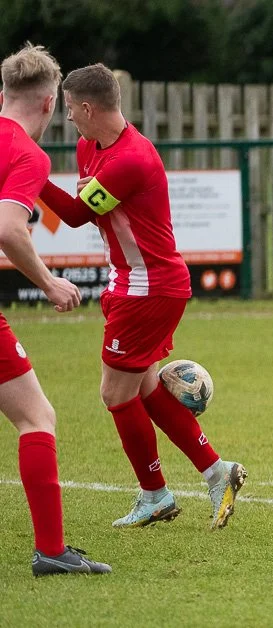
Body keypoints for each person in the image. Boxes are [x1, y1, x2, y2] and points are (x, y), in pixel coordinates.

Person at [39, 63, 247, 531]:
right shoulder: (89, 145)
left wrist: (27, 170)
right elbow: (91, 213)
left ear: (89, 107)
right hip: (130, 281)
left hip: (148, 286)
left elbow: (73, 214)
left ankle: (154, 494)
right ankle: (217, 472)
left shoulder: (132, 158)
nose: (68, 117)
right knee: (145, 387)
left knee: (115, 393)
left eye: (71, 109)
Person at [0, 43, 111, 576]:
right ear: (48, 105)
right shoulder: (26, 154)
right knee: (36, 416)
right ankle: (50, 551)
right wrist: (47, 282)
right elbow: (8, 229)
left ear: (3, 93)